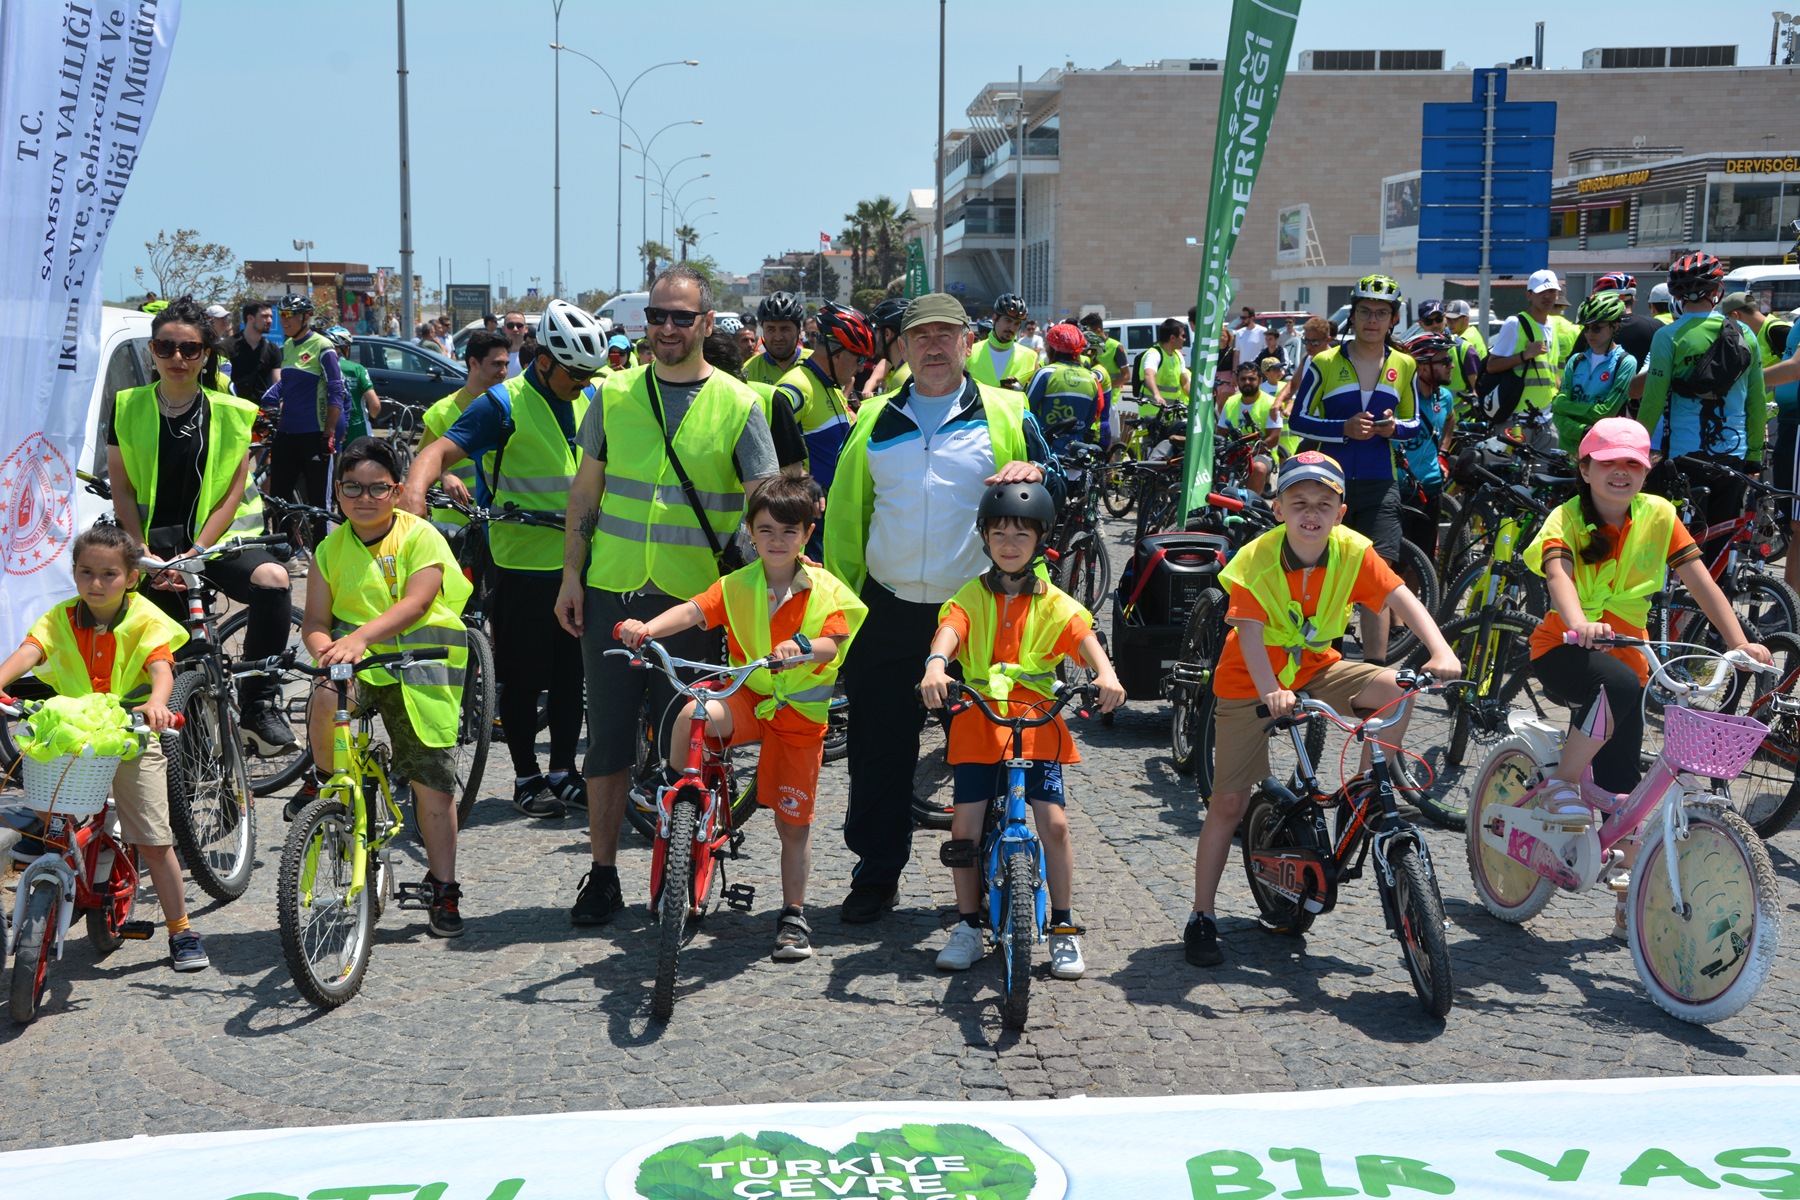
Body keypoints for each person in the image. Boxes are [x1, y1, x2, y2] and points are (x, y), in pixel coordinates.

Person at [825, 293, 1063, 924]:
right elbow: (848, 523)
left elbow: (1062, 479)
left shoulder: (1006, 410)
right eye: (919, 336)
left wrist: (1034, 468)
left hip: (982, 613)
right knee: (880, 752)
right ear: (901, 347)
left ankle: (991, 871)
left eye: (946, 335)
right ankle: (876, 875)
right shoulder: (874, 418)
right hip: (888, 608)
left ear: (967, 342)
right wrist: (841, 614)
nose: (933, 346)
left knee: (988, 749)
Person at [555, 264, 781, 927]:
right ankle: (602, 875)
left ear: (707, 324)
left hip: (696, 606)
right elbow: (584, 496)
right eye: (658, 317)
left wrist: (773, 589)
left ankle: (685, 863)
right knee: (609, 746)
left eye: (682, 318)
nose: (668, 329)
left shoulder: (741, 404)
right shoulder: (614, 394)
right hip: (611, 597)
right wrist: (571, 575)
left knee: (690, 743)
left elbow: (764, 505)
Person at [1184, 452, 1459, 967]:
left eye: (1324, 504)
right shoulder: (1256, 559)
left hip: (1315, 668)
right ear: (1279, 507)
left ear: (1341, 510)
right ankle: (1202, 915)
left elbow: (1402, 600)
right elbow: (1247, 635)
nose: (1312, 513)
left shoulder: (1354, 550)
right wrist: (1270, 691)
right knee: (1228, 804)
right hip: (1251, 679)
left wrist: (1440, 651)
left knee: (1399, 685)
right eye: (1299, 502)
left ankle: (1364, 791)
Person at [1522, 417, 1770, 938]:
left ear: (1647, 470)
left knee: (1625, 787)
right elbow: (1558, 575)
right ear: (1584, 467)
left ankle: (1628, 894)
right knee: (1615, 686)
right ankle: (1562, 783)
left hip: (1630, 658)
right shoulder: (1565, 518)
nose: (1621, 473)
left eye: (1632, 464)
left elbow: (1699, 580)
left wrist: (1737, 641)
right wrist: (1578, 624)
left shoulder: (1659, 514)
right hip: (1563, 648)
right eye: (1608, 463)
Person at [617, 476, 864, 959]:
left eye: (788, 532)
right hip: (749, 698)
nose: (776, 540)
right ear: (750, 531)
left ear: (807, 534)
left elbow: (835, 641)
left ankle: (793, 914)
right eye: (766, 530)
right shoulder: (737, 583)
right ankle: (677, 802)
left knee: (794, 826)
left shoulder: (827, 589)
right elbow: (693, 611)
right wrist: (646, 628)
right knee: (694, 712)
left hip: (797, 715)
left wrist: (804, 648)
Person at [401, 299, 605, 822]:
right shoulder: (501, 404)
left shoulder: (591, 400)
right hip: (521, 565)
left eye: (589, 374)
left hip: (579, 563)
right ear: (543, 362)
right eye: (574, 374)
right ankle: (525, 776)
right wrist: (415, 492)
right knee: (522, 676)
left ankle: (563, 772)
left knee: (569, 677)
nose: (582, 383)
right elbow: (438, 451)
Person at [920, 481, 1124, 979]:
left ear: (1039, 542)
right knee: (964, 827)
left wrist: (1106, 673)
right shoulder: (971, 594)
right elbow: (952, 627)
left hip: (1036, 719)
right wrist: (935, 663)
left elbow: (1082, 634)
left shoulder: (1053, 600)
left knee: (1054, 824)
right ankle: (968, 924)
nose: (1009, 543)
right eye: (998, 533)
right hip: (981, 717)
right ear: (985, 538)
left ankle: (1063, 926)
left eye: (1021, 534)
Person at [0, 526, 205, 970]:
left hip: (131, 735)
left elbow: (160, 666)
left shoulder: (146, 618)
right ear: (73, 573)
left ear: (132, 577)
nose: (96, 583)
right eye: (85, 572)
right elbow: (29, 651)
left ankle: (182, 930)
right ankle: (69, 855)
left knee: (153, 840)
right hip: (75, 734)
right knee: (44, 802)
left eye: (109, 574)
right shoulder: (60, 617)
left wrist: (155, 704)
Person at [107, 297, 294, 752]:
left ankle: (257, 704)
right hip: (149, 547)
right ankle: (186, 759)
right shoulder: (126, 405)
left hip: (214, 542)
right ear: (152, 350)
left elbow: (232, 494)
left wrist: (196, 551)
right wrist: (141, 552)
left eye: (189, 349)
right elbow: (124, 490)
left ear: (206, 354)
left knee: (274, 579)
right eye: (165, 347)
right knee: (165, 662)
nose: (177, 358)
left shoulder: (231, 412)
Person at [302, 437, 472, 937]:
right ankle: (329, 790)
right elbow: (314, 620)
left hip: (422, 665)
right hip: (358, 663)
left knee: (431, 786)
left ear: (396, 492)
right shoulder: (329, 548)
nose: (364, 497)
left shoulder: (420, 536)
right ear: (338, 491)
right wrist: (326, 652)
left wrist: (355, 639)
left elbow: (418, 604)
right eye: (352, 487)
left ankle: (444, 889)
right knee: (323, 695)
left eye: (378, 488)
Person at [1285, 274, 1419, 665]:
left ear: (1393, 319)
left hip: (1380, 483)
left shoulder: (1405, 364)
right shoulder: (1324, 362)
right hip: (1328, 485)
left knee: (1378, 574)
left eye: (1381, 313)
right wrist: (1341, 430)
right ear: (1353, 316)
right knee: (1327, 573)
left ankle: (1375, 670)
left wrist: (1395, 429)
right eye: (1364, 312)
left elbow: (1414, 426)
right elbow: (1298, 420)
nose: (1372, 320)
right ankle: (1326, 660)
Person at [1636, 252, 1767, 548]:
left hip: (1684, 455)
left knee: (1683, 544)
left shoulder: (1668, 336)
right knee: (1721, 541)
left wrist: (1638, 450)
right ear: (1717, 291)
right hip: (1734, 454)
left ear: (1678, 294)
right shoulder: (1745, 333)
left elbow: (1653, 402)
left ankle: (1682, 594)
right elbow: (1756, 401)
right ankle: (1717, 593)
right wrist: (1755, 454)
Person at [262, 294, 346, 546]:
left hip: (315, 433)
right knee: (279, 496)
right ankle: (285, 548)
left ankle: (323, 550)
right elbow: (284, 385)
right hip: (287, 433)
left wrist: (329, 432)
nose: (284, 320)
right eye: (281, 315)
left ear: (306, 316)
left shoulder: (323, 346)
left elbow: (337, 389)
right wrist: (264, 401)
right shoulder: (287, 347)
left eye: (289, 315)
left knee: (318, 499)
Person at [773, 301, 872, 492]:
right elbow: (764, 440)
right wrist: (801, 480)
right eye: (860, 359)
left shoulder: (830, 384)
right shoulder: (797, 386)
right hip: (811, 513)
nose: (861, 368)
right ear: (838, 353)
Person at [419, 329, 511, 528]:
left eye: (506, 364)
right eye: (496, 364)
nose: (503, 371)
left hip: (500, 521)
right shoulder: (441, 412)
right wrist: (445, 476)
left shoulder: (511, 406)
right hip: (455, 523)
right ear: (473, 363)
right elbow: (421, 461)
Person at [1484, 270, 1564, 450]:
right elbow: (1492, 365)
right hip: (1517, 418)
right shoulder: (1515, 323)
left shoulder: (1553, 325)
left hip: (1546, 418)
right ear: (1529, 295)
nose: (1547, 296)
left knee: (1542, 474)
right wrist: (1524, 355)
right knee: (1511, 472)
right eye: (1541, 291)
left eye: (1552, 291)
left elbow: (1552, 372)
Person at [1550, 292, 1636, 456]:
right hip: (1566, 451)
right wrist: (1582, 431)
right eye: (1586, 328)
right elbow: (1557, 412)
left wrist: (1566, 409)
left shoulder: (1625, 362)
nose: (1589, 334)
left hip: (1601, 451)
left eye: (1596, 328)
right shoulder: (1576, 361)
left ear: (1615, 326)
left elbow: (1605, 412)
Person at [1397, 333, 1456, 556]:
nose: (1451, 366)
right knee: (1397, 562)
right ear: (1422, 368)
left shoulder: (1444, 397)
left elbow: (1450, 419)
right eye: (1444, 361)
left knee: (1424, 560)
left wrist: (1443, 452)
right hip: (1400, 490)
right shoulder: (1398, 398)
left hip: (1431, 487)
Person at [1026, 322, 1108, 454]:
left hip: (1046, 454)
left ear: (1051, 349)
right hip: (1076, 453)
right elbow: (1091, 417)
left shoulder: (1045, 373)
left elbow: (1025, 411)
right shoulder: (1091, 377)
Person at [1219, 360, 1282, 495]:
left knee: (1258, 469)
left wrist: (1250, 452)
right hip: (1233, 451)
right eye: (1243, 379)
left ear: (1260, 380)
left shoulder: (1270, 403)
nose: (1247, 382)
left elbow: (1274, 438)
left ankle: (1250, 507)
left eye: (1251, 379)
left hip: (1261, 453)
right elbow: (1221, 433)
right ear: (1237, 381)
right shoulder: (1230, 402)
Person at [966, 293, 1038, 389]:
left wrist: (1022, 390)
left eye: (1017, 324)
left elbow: (1038, 398)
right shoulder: (970, 353)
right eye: (1008, 321)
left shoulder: (1030, 358)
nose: (1012, 328)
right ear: (995, 319)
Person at [325, 326, 382, 446]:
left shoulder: (320, 368)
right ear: (345, 348)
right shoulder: (357, 369)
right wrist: (372, 419)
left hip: (327, 428)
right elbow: (375, 404)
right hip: (357, 429)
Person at [745, 292, 809, 387]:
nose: (778, 337)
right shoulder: (748, 370)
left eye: (785, 329)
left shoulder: (818, 364)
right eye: (771, 329)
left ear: (798, 331)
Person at [228, 300, 282, 406]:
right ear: (250, 318)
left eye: (271, 316)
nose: (270, 320)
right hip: (233, 410)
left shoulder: (273, 349)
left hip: (262, 413)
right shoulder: (227, 346)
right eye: (264, 316)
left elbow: (277, 383)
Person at [863, 297, 911, 400]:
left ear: (887, 334)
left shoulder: (902, 378)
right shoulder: (905, 369)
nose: (873, 338)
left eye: (875, 332)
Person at [1137, 318, 1190, 408]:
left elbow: (1185, 383)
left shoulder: (1178, 355)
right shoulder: (1154, 354)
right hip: (1153, 413)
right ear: (1172, 338)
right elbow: (1149, 375)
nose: (1184, 339)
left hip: (1172, 412)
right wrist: (1157, 395)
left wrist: (1198, 400)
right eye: (1183, 336)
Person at [1078, 312, 1127, 397]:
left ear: (1098, 331)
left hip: (1109, 398)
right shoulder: (1086, 347)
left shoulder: (1115, 347)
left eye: (1088, 333)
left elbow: (1126, 376)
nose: (1085, 336)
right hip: (1091, 396)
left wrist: (1106, 388)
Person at [501, 311, 530, 377]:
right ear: (503, 329)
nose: (515, 329)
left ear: (526, 329)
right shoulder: (495, 355)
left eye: (519, 326)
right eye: (510, 326)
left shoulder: (533, 353)